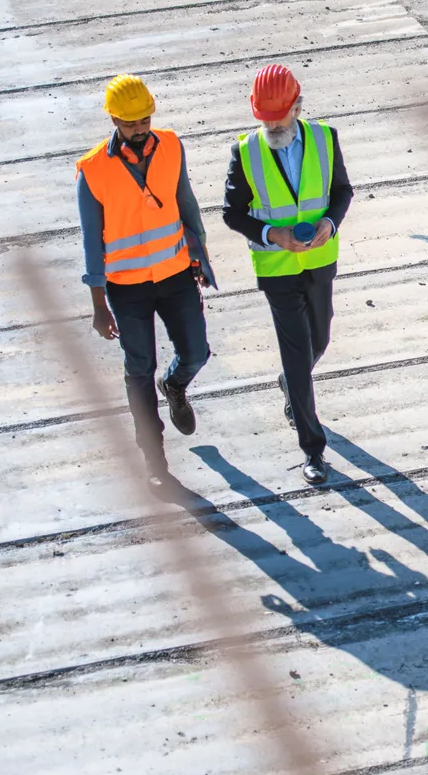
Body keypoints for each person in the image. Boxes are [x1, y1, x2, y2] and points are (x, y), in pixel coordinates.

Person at [77, 74, 216, 487]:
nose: (139, 129)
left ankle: (174, 384)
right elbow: (90, 238)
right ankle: (154, 460)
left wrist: (201, 259)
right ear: (114, 120)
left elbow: (186, 203)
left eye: (145, 120)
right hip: (127, 288)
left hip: (175, 275)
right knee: (138, 369)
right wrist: (98, 304)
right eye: (130, 123)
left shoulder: (171, 145)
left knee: (196, 353)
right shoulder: (93, 170)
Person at [222, 64, 353, 485]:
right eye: (265, 117)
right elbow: (231, 213)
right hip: (277, 270)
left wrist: (329, 224)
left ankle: (289, 383)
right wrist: (269, 233)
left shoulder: (324, 139)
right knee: (297, 358)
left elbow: (341, 192)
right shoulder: (245, 151)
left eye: (280, 115)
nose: (272, 125)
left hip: (319, 261)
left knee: (321, 339)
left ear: (298, 105)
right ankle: (312, 450)